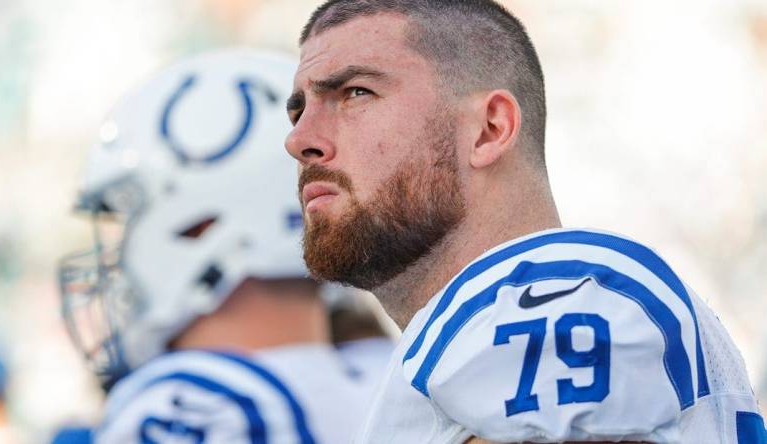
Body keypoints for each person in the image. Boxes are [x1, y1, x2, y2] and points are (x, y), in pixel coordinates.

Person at [284, 1, 765, 442]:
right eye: (299, 109)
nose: (300, 139)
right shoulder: (464, 335)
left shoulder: (541, 296)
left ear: (489, 129)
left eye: (355, 93)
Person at [58, 48, 368, 443]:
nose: (120, 256)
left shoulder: (190, 404)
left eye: (130, 217)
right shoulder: (389, 377)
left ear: (199, 224)